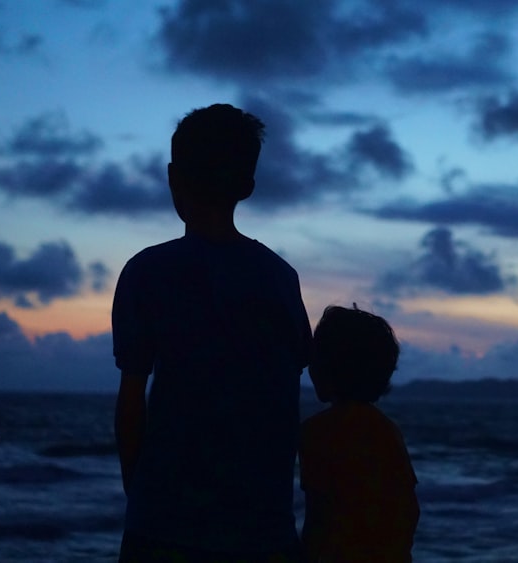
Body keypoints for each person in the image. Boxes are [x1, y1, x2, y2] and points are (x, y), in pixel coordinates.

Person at [112, 104, 312, 562]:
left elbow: (131, 401)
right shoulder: (281, 277)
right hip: (266, 528)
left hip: (165, 524)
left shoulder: (147, 272)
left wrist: (136, 491)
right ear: (248, 186)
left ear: (172, 176)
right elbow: (291, 379)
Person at [300, 305, 420, 563]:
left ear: (329, 365)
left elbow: (317, 523)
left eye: (314, 357)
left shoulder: (320, 431)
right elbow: (406, 510)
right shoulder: (388, 430)